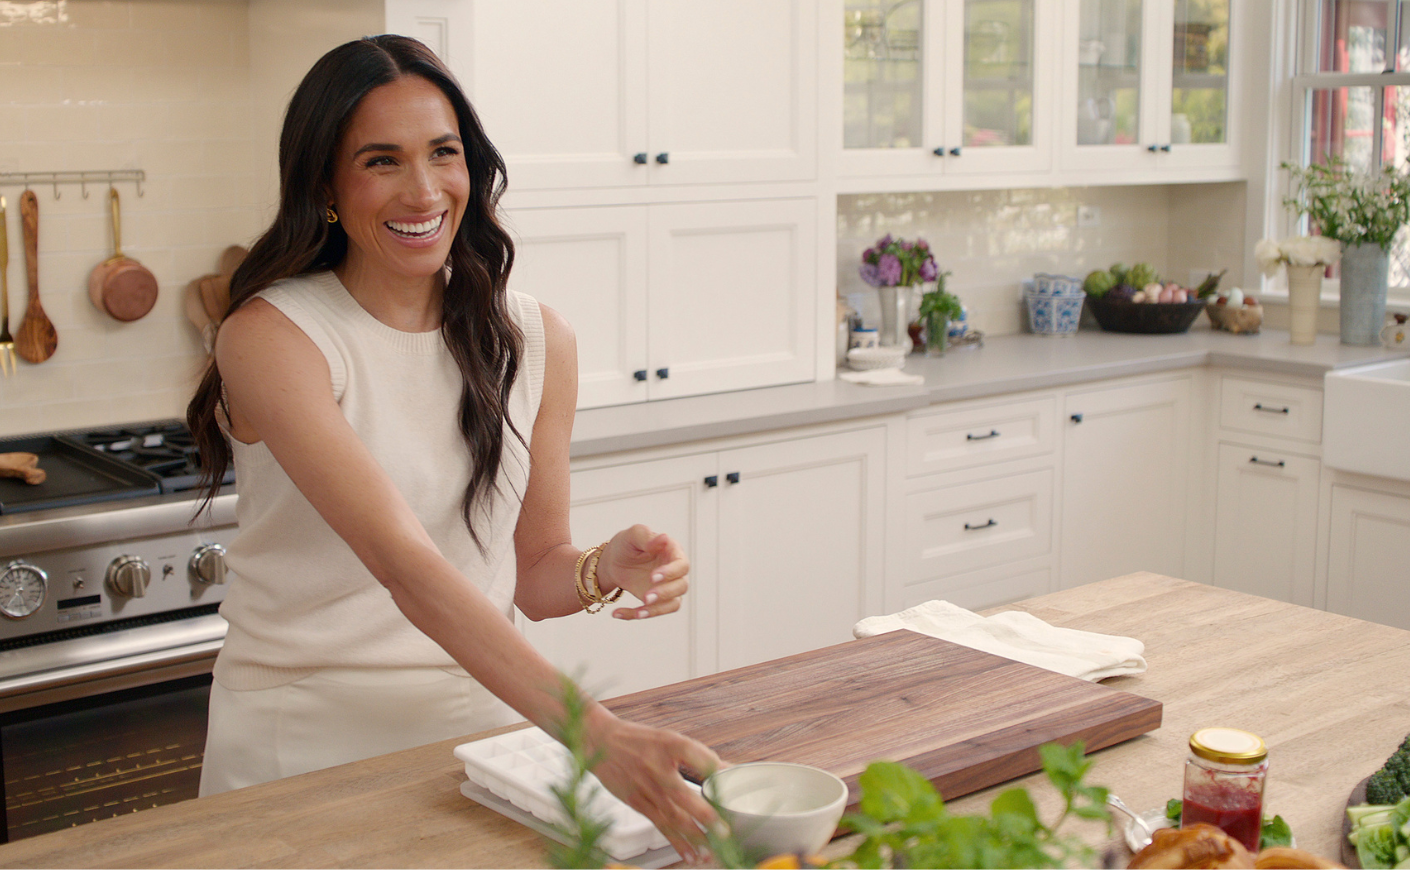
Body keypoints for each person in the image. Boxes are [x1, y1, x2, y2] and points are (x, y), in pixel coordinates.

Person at [186, 34, 719, 860]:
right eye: (381, 161)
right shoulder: (273, 339)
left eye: (444, 153)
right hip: (300, 742)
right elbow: (407, 569)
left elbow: (532, 576)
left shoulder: (536, 338)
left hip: (482, 738)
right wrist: (599, 735)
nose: (424, 188)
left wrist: (603, 568)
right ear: (326, 183)